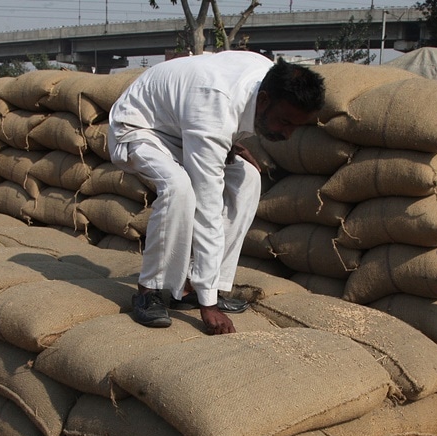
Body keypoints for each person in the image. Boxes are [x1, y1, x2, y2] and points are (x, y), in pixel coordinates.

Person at [108, 52, 325, 334]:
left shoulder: (266, 74)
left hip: (184, 127)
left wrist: (229, 141)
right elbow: (207, 211)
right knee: (180, 189)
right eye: (285, 122)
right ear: (263, 101)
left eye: (296, 126)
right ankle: (149, 290)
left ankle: (197, 285)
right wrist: (208, 308)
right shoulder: (213, 110)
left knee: (248, 178)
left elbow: (222, 116)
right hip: (141, 127)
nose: (288, 134)